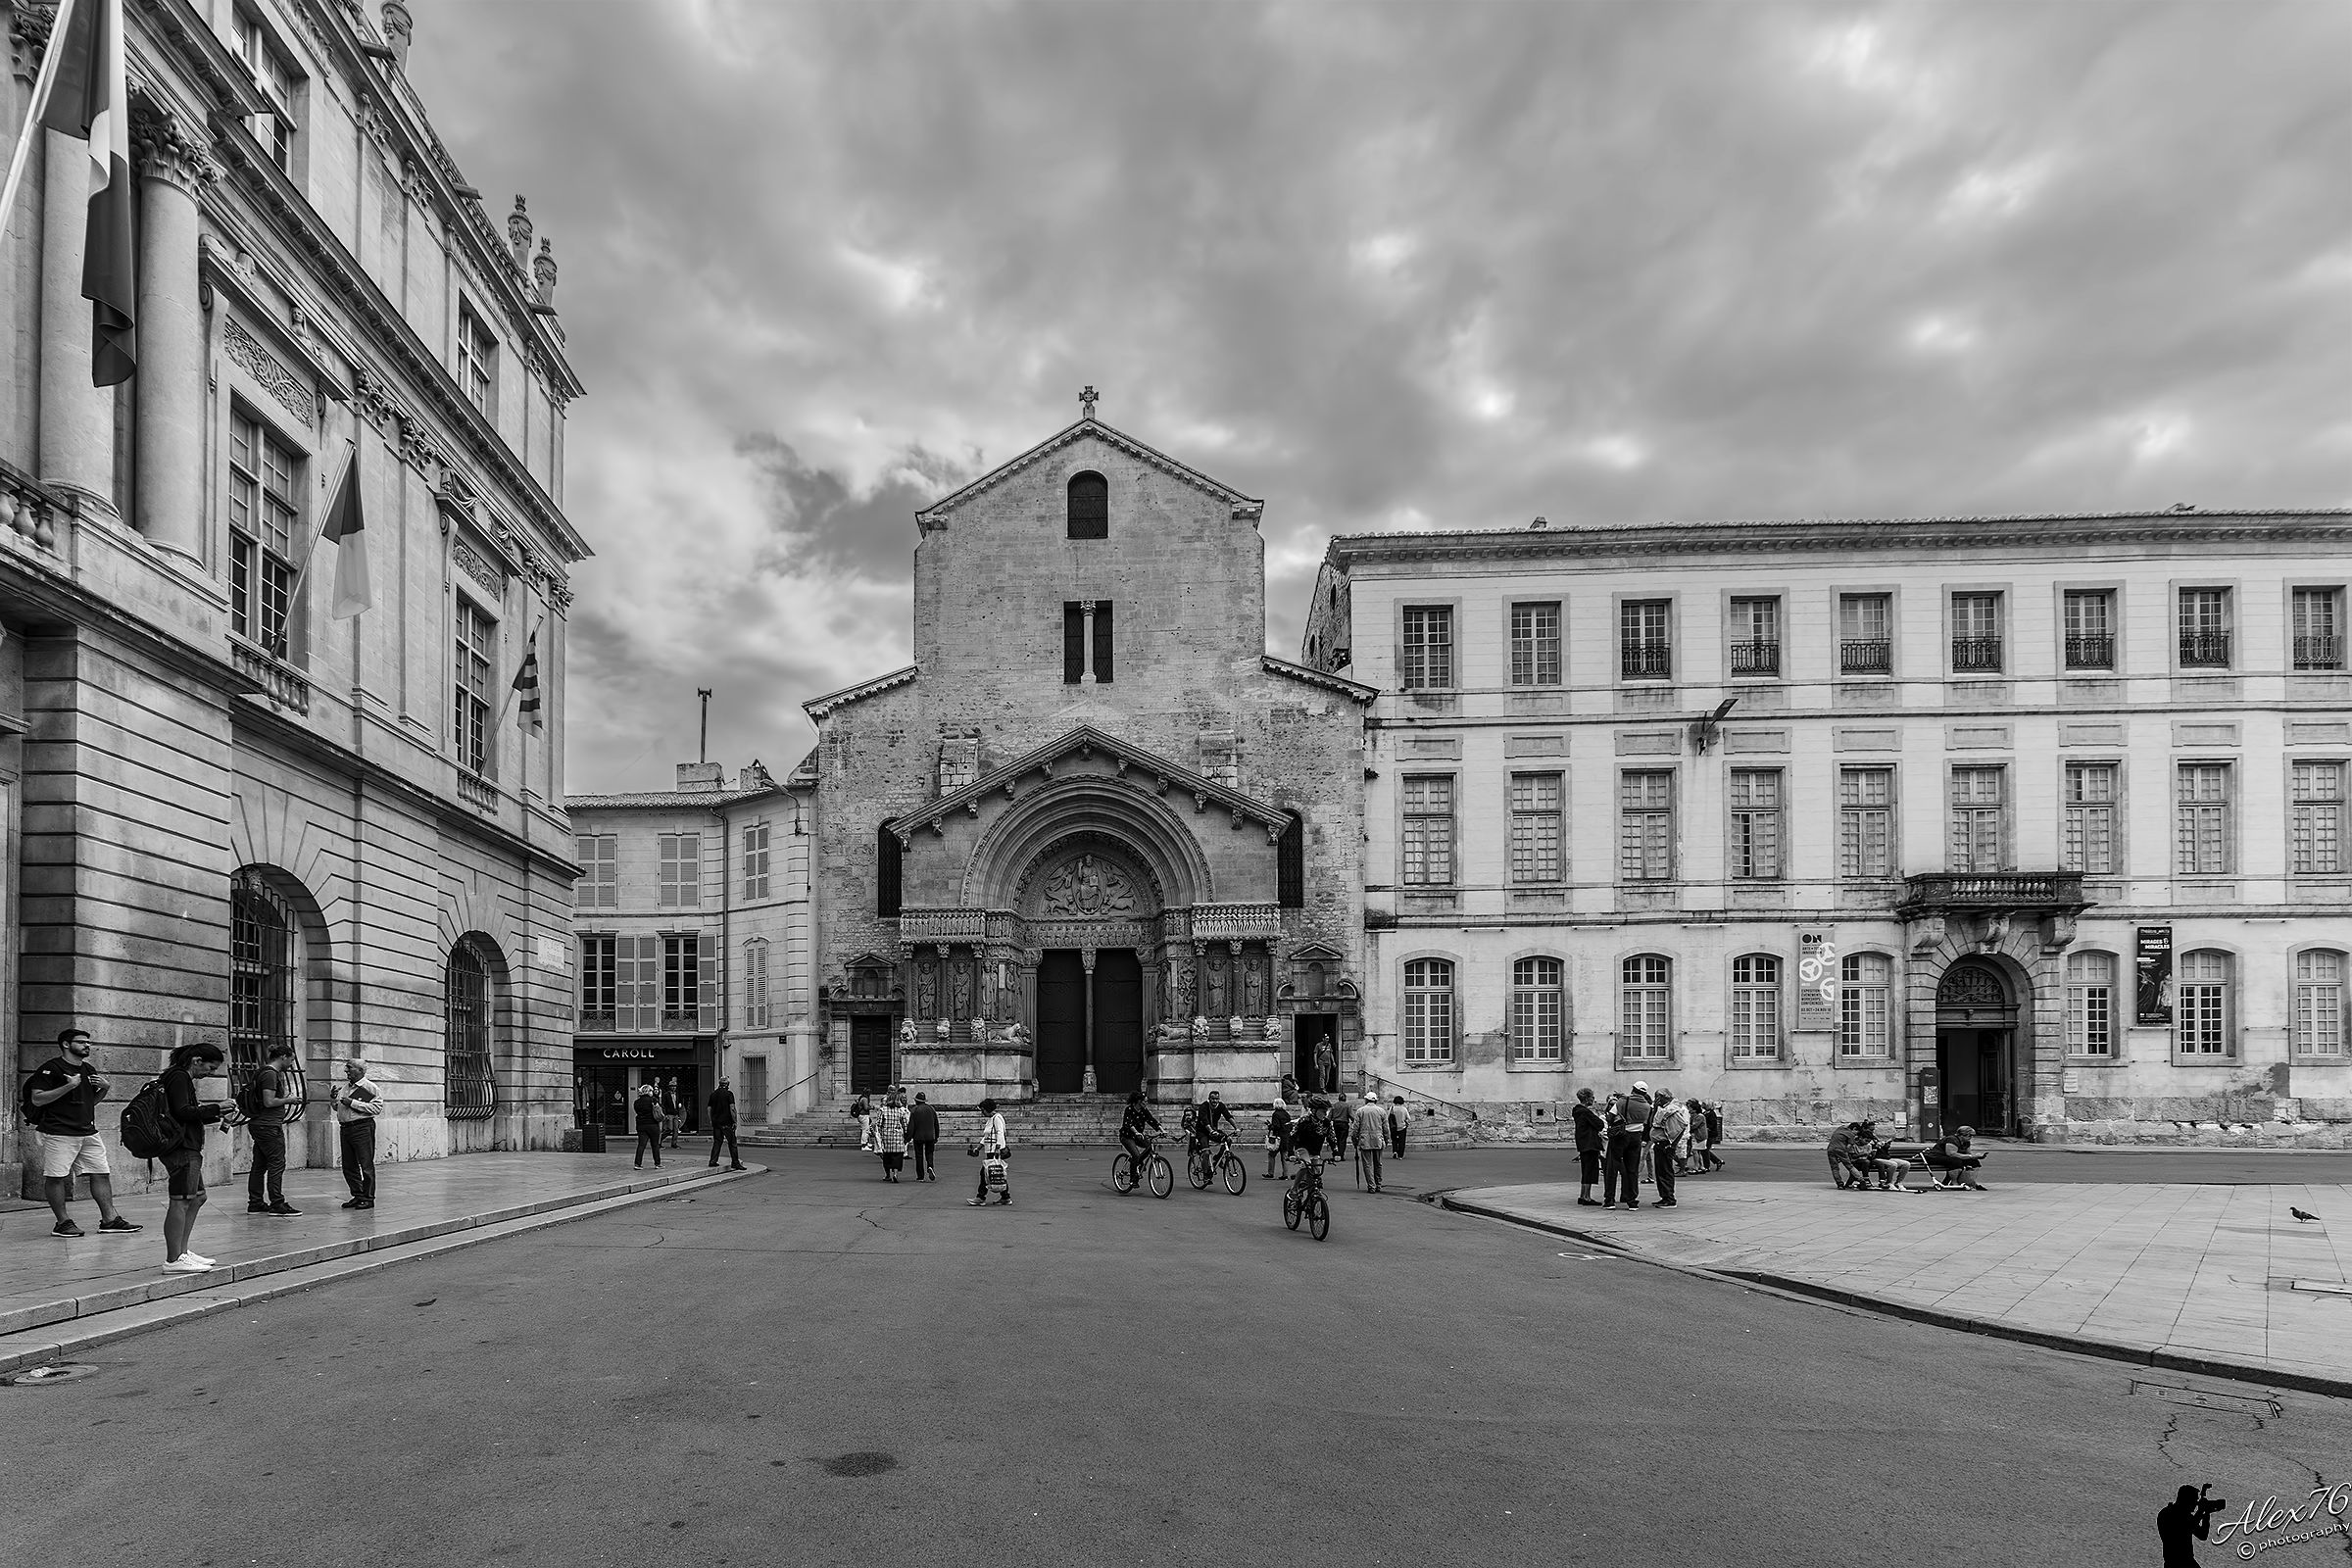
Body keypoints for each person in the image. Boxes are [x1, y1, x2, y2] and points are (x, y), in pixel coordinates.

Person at [25, 1028, 138, 1237]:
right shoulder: (51, 1069)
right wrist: (69, 1086)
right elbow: (37, 1099)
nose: (88, 1045)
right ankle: (62, 1223)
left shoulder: (88, 1069)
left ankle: (110, 1220)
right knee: (56, 1176)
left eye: (89, 1042)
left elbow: (89, 1103)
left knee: (101, 1173)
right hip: (59, 1132)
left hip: (88, 1132)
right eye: (82, 1042)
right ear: (67, 1044)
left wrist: (105, 1088)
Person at [160, 1042, 235, 1273]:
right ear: (196, 1061)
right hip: (181, 1147)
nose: (210, 1074)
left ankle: (182, 1251)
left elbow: (187, 1114)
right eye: (210, 1068)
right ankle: (173, 1259)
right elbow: (182, 1112)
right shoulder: (179, 1077)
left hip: (187, 1146)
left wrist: (218, 1112)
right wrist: (217, 1107)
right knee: (181, 1200)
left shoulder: (179, 1078)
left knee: (197, 1198)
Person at [245, 1042, 301, 1216]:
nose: (291, 1064)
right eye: (291, 1059)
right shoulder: (270, 1074)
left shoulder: (261, 1071)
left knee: (259, 1165)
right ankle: (277, 1203)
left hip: (259, 1124)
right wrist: (289, 1100)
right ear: (283, 1057)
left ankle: (255, 1203)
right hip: (268, 1125)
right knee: (277, 1164)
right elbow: (269, 1101)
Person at [329, 1058, 383, 1209]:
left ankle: (368, 1198)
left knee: (366, 1164)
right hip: (346, 1128)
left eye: (349, 1068)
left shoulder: (370, 1087)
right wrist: (334, 1099)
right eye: (346, 1068)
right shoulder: (345, 1088)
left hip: (362, 1127)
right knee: (348, 1165)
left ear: (360, 1070)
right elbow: (338, 1108)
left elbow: (377, 1108)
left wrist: (352, 1103)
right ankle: (357, 1195)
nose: (346, 1071)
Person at [1603, 1085, 1651, 1210]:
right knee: (1632, 1169)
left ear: (1633, 1090)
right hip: (1636, 1137)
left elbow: (1611, 1116)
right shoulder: (1647, 1106)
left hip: (1621, 1135)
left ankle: (1610, 1200)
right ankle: (1632, 1200)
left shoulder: (1623, 1101)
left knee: (1612, 1166)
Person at [2157, 1484, 2222, 1567]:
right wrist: (2201, 1511)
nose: (2196, 1504)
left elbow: (2202, 1535)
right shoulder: (2168, 1514)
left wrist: (2206, 1514)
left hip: (2180, 1562)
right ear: (2186, 1500)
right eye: (2194, 1501)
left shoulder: (2170, 1513)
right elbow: (2184, 1528)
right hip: (2179, 1563)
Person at [1647, 1088, 1687, 1207]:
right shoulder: (1663, 1109)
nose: (1656, 1099)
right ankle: (1664, 1196)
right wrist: (1654, 1108)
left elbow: (1681, 1127)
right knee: (1660, 1172)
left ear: (1664, 1097)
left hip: (1665, 1144)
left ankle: (1669, 1198)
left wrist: (1672, 1145)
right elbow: (1652, 1123)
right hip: (1660, 1144)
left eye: (1657, 1097)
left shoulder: (1672, 1110)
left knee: (1665, 1171)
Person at [968, 1097, 1010, 1206]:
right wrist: (978, 1148)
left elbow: (1000, 1133)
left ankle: (980, 1197)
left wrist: (998, 1149)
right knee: (996, 1173)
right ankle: (1005, 1197)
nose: (982, 1112)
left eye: (983, 1110)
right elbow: (986, 1137)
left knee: (985, 1173)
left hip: (994, 1151)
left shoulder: (997, 1118)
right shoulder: (990, 1120)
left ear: (987, 1109)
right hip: (990, 1150)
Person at [1570, 1087, 1604, 1207]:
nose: (1594, 1099)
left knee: (1586, 1170)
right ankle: (1586, 1197)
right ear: (1587, 1099)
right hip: (1590, 1144)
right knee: (1590, 1170)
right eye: (1592, 1097)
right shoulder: (1586, 1112)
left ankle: (1582, 1195)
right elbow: (1600, 1124)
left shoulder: (1577, 1111)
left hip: (1583, 1143)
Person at [1924, 1125, 1987, 1190]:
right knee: (1955, 1161)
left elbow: (1968, 1154)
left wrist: (1976, 1157)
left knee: (1974, 1162)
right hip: (1936, 1157)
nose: (1971, 1137)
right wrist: (1970, 1156)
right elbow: (1951, 1154)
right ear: (1962, 1135)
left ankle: (1969, 1182)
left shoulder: (1966, 1142)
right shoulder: (1952, 1139)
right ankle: (1954, 1182)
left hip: (1950, 1158)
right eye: (1969, 1135)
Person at [1350, 1091, 1388, 1192]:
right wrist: (1386, 1139)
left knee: (1367, 1164)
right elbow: (1385, 1128)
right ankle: (1378, 1184)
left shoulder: (1360, 1111)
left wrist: (1354, 1139)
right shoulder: (1381, 1111)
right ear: (1375, 1100)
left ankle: (1371, 1185)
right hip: (1378, 1139)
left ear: (1366, 1100)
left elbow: (1355, 1127)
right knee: (1378, 1163)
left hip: (1365, 1139)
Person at [1117, 1092, 1161, 1172]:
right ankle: (1133, 1181)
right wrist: (1136, 1132)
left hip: (1138, 1136)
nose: (1146, 1103)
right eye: (1145, 1101)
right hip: (1127, 1136)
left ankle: (1139, 1162)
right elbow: (1128, 1123)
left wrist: (1162, 1130)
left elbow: (1151, 1120)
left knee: (1149, 1146)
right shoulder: (1129, 1109)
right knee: (1136, 1155)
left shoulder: (1144, 1110)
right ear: (1138, 1101)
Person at [708, 1078, 744, 1170]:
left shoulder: (713, 1094)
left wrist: (711, 1120)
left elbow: (709, 1109)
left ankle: (713, 1161)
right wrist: (735, 1121)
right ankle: (735, 1162)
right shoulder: (729, 1094)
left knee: (717, 1142)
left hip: (716, 1123)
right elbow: (732, 1108)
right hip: (726, 1123)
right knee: (732, 1143)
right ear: (727, 1084)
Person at [1191, 1090, 1237, 1158]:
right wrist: (1211, 1131)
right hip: (1202, 1132)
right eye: (1213, 1099)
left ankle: (1218, 1158)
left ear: (1219, 1100)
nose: (1214, 1101)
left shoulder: (1221, 1106)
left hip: (1214, 1131)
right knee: (1206, 1153)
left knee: (1228, 1140)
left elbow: (1228, 1117)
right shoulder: (1204, 1106)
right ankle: (1205, 1169)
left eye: (1216, 1099)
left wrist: (1236, 1128)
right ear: (1209, 1099)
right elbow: (1204, 1120)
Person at [875, 1092, 909, 1182]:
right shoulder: (900, 1111)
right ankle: (895, 1173)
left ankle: (887, 1175)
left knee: (887, 1156)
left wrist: (880, 1133)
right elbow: (904, 1124)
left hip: (886, 1136)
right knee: (897, 1156)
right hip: (897, 1136)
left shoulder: (883, 1110)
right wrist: (906, 1135)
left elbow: (878, 1124)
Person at [907, 1092, 941, 1181]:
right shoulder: (931, 1109)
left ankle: (920, 1176)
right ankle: (930, 1166)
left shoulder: (914, 1110)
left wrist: (908, 1137)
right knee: (929, 1153)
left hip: (918, 1136)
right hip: (930, 1135)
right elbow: (936, 1124)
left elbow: (911, 1126)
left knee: (919, 1156)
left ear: (917, 1101)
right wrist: (936, 1135)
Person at [632, 1081, 662, 1168]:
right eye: (651, 1091)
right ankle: (657, 1163)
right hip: (653, 1124)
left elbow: (637, 1111)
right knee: (655, 1145)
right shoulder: (653, 1100)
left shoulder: (636, 1102)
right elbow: (660, 1109)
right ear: (648, 1091)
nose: (652, 1092)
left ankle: (637, 1164)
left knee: (641, 1145)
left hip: (641, 1125)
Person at [1265, 1098, 1295, 1179]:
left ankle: (1270, 1172)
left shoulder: (1276, 1114)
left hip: (1278, 1138)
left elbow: (1276, 1126)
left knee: (1271, 1155)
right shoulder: (1286, 1114)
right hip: (1286, 1137)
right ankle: (1285, 1174)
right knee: (1284, 1156)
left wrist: (1270, 1126)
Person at [660, 1078, 682, 1150]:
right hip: (669, 1113)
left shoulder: (677, 1094)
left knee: (676, 1129)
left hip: (675, 1113)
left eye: (675, 1086)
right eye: (672, 1086)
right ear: (669, 1087)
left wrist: (679, 1108)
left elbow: (679, 1102)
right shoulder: (666, 1094)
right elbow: (663, 1104)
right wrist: (665, 1114)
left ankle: (674, 1143)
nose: (674, 1087)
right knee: (669, 1128)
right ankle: (659, 1140)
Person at [1389, 1095, 1408, 1159]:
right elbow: (1409, 1118)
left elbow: (1388, 1117)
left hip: (1393, 1127)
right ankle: (1400, 1155)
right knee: (1401, 1141)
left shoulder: (1392, 1108)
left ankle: (1395, 1151)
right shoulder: (1404, 1109)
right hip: (1402, 1127)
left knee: (1394, 1140)